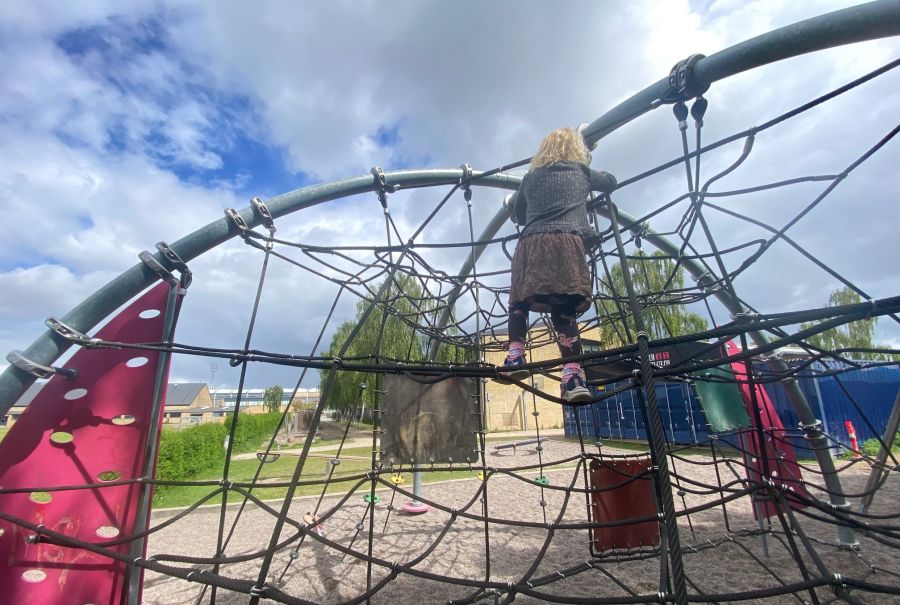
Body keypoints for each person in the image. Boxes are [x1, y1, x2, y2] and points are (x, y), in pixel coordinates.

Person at [501, 127, 617, 403]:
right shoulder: (581, 172)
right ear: (576, 150)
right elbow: (611, 181)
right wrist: (587, 166)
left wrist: (515, 204)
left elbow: (517, 211)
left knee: (520, 302)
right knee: (563, 309)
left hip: (531, 245)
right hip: (567, 245)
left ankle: (515, 356)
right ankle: (573, 376)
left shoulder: (530, 179)